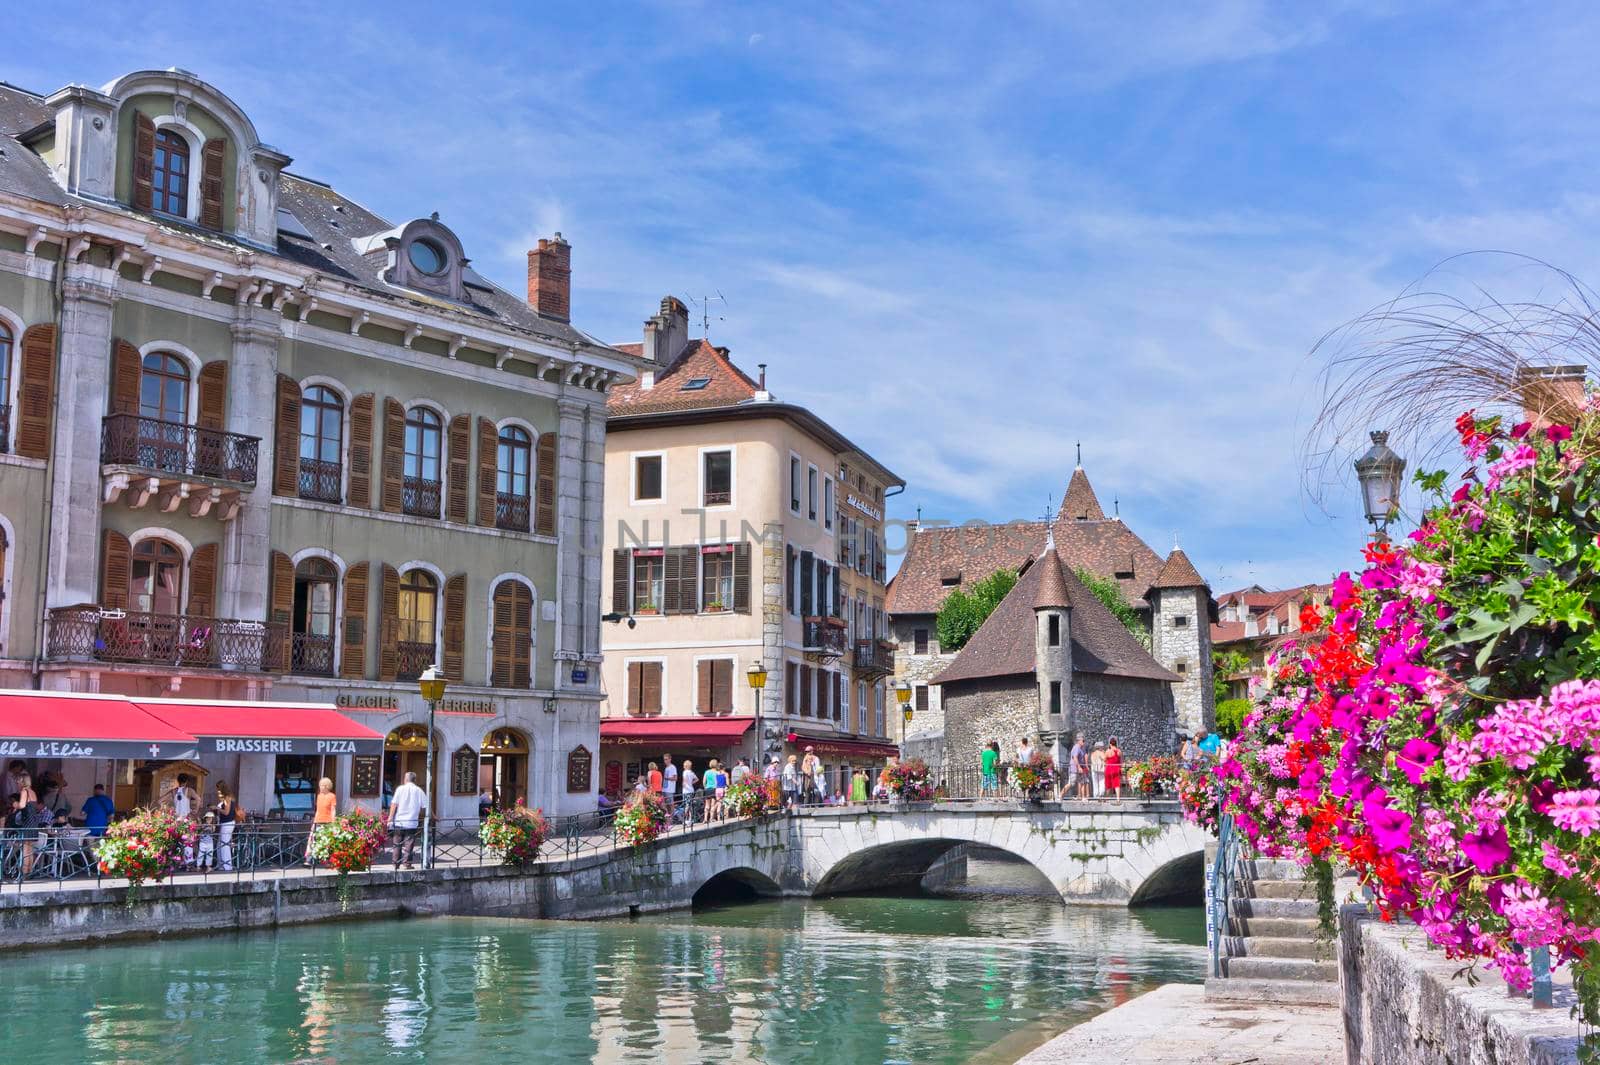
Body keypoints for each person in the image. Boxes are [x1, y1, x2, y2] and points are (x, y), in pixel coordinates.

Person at [388, 771, 426, 868]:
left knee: (397, 843)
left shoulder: (400, 789)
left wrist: (390, 818)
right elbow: (426, 806)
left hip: (399, 821)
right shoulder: (419, 791)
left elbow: (394, 804)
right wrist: (434, 817)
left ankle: (395, 863)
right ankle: (407, 863)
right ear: (415, 780)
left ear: (406, 779)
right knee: (409, 844)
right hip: (411, 822)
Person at [306, 777, 336, 863]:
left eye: (322, 785)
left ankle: (327, 860)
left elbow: (333, 810)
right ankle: (309, 859)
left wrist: (333, 823)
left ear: (327, 786)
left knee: (327, 841)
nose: (320, 787)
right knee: (312, 839)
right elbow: (318, 810)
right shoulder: (319, 796)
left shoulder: (332, 796)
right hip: (318, 821)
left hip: (328, 822)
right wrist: (314, 823)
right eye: (320, 785)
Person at [680, 759, 700, 826]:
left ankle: (684, 819)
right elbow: (697, 779)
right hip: (691, 790)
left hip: (686, 790)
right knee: (690, 805)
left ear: (685, 766)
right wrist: (691, 783)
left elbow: (684, 780)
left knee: (686, 805)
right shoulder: (691, 772)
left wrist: (684, 785)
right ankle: (690, 819)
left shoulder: (685, 772)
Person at [1074, 735, 1091, 799]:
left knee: (1080, 781)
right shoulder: (1084, 748)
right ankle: (1087, 795)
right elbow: (1086, 757)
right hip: (1083, 766)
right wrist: (1087, 766)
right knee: (1085, 781)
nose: (1083, 742)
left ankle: (1079, 794)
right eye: (1083, 741)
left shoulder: (1080, 748)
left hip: (1081, 766)